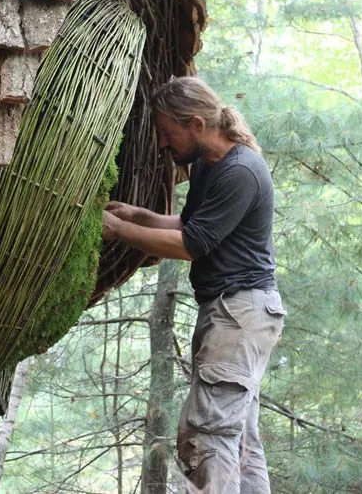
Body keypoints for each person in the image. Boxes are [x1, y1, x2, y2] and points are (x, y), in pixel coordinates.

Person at [102, 76, 286, 494]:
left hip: (240, 315)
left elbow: (192, 244)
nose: (165, 145)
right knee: (238, 438)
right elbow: (191, 226)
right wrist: (137, 216)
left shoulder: (241, 170)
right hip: (236, 315)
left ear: (197, 125)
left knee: (208, 434)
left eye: (169, 133)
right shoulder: (208, 165)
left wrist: (115, 230)